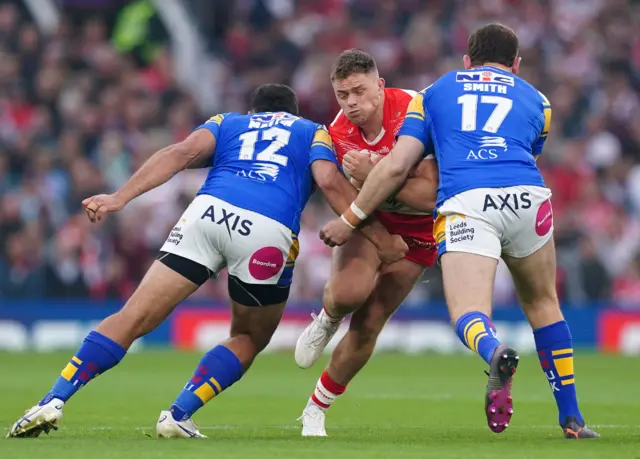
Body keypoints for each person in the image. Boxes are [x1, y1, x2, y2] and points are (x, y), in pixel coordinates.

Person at [7, 83, 407, 439]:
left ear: (254, 112)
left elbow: (179, 153)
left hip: (207, 213)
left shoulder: (228, 122)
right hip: (267, 231)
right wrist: (378, 237)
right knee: (250, 336)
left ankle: (53, 398)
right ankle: (178, 414)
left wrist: (119, 198)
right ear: (293, 113)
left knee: (133, 317)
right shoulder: (312, 131)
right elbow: (328, 181)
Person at [319, 25, 599, 439]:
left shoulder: (434, 92)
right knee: (543, 303)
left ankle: (494, 351)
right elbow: (528, 149)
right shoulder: (540, 101)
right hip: (527, 198)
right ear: (516, 65)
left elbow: (397, 166)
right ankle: (572, 419)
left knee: (468, 313)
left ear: (466, 61)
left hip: (467, 201)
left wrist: (351, 217)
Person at [295, 49, 438, 437]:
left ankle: (315, 408)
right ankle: (328, 317)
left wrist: (377, 172)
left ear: (380, 85)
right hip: (370, 220)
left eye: (359, 91)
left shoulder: (416, 112)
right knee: (346, 295)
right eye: (343, 95)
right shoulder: (335, 132)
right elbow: (331, 185)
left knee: (371, 321)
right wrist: (378, 234)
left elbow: (430, 197)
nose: (352, 103)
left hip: (419, 230)